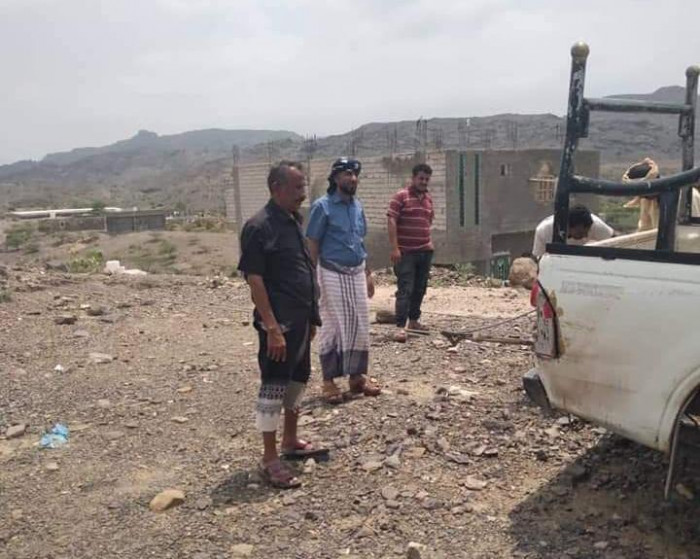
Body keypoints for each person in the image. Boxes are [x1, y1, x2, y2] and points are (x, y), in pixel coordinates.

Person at [238, 160, 325, 489]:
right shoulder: (258, 227)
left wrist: (312, 317)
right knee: (273, 387)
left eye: (303, 187)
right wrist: (272, 328)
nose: (303, 194)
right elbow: (255, 280)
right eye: (297, 187)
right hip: (279, 326)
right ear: (276, 188)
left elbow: (303, 270)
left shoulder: (293, 220)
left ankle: (290, 440)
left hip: (301, 321)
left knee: (297, 382)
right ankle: (269, 458)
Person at [306, 157, 381, 405]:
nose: (353, 178)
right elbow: (313, 243)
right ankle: (329, 381)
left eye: (355, 174)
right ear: (336, 178)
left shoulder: (357, 207)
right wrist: (311, 278)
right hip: (330, 273)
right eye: (347, 174)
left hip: (356, 272)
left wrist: (368, 274)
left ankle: (356, 377)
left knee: (360, 323)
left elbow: (360, 241)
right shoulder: (322, 206)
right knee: (333, 324)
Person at [387, 163, 435, 343]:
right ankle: (400, 326)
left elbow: (429, 220)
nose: (424, 182)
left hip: (424, 251)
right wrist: (395, 248)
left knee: (420, 288)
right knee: (405, 289)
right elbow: (391, 220)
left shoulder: (428, 199)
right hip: (405, 253)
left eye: (427, 179)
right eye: (421, 178)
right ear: (413, 178)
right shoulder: (401, 196)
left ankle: (413, 321)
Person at [532, 204, 613, 259]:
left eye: (587, 232)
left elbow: (615, 240)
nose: (585, 236)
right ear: (568, 225)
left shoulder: (596, 225)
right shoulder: (544, 230)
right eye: (580, 233)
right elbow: (538, 257)